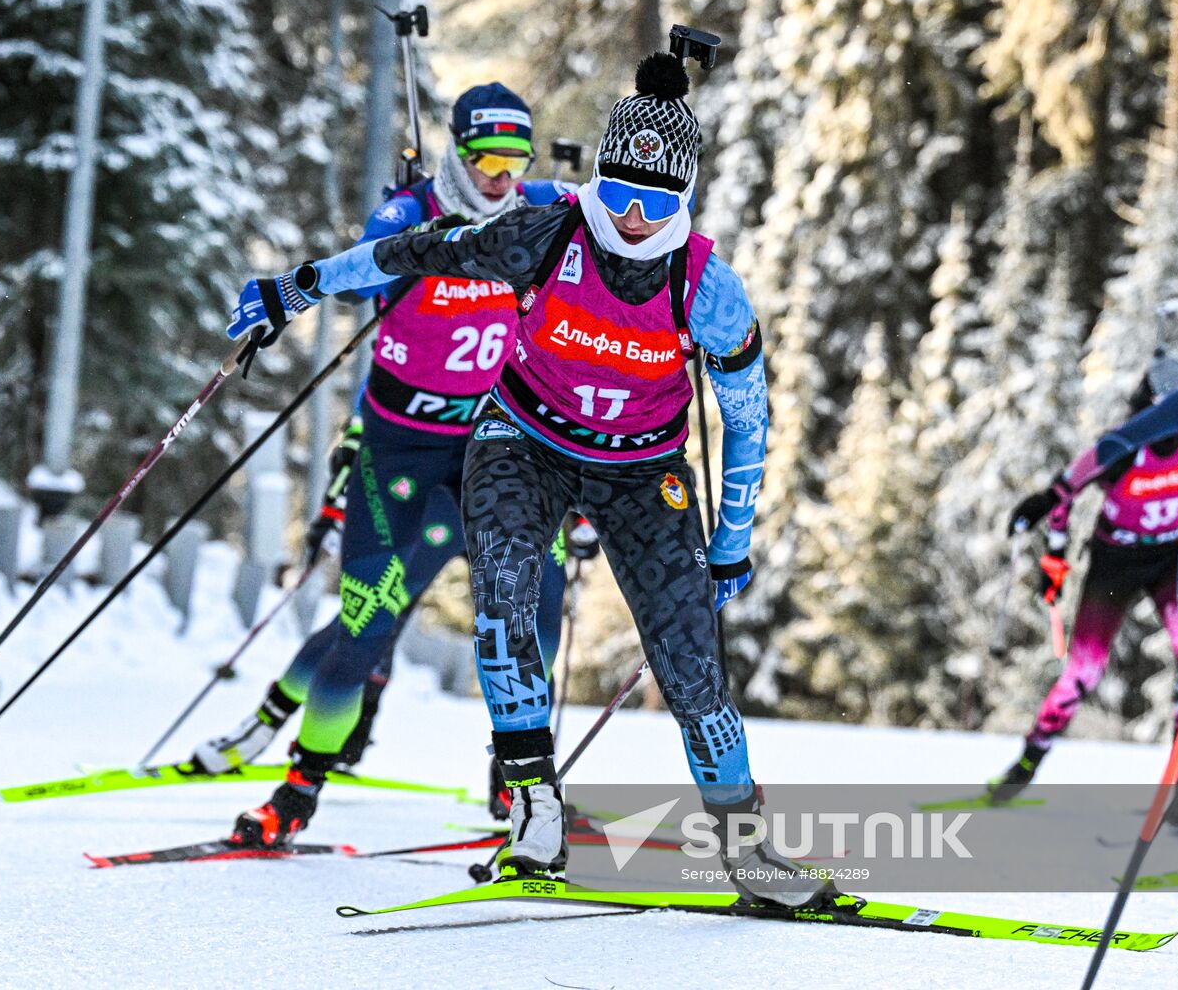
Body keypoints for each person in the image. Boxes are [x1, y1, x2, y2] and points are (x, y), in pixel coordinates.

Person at [227, 52, 853, 911]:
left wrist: (733, 538)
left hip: (643, 470)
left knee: (690, 663)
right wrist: (298, 288)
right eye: (620, 192)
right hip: (522, 440)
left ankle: (748, 853)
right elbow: (410, 252)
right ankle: (531, 802)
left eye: (658, 201)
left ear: (688, 197)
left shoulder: (707, 288)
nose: (634, 218)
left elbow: (748, 418)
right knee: (507, 592)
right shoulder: (544, 233)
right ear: (597, 178)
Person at [202, 84, 590, 848]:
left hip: (500, 447)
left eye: (517, 158)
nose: (502, 176)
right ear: (458, 151)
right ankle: (298, 789)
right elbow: (360, 270)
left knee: (534, 614)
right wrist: (295, 295)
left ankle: (515, 782)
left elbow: (623, 219)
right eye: (486, 157)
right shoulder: (408, 215)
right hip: (401, 448)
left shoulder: (543, 207)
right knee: (365, 622)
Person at [988, 349, 1178, 804]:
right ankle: (1028, 761)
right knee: (1084, 668)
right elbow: (1065, 500)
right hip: (1115, 559)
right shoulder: (1126, 447)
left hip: (1170, 557)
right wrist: (1055, 561)